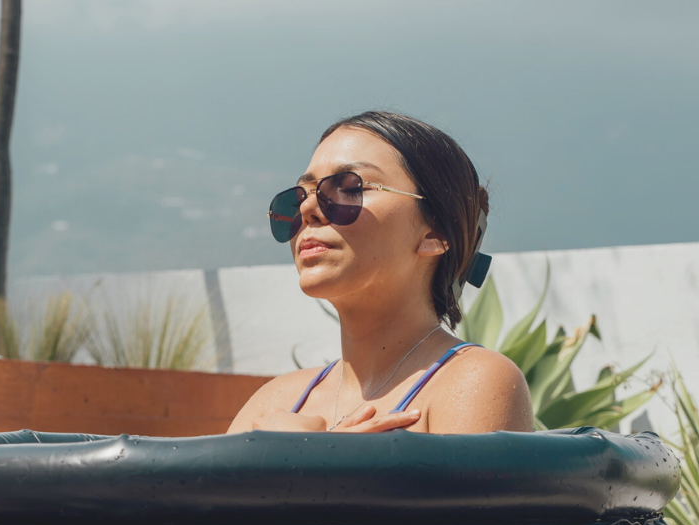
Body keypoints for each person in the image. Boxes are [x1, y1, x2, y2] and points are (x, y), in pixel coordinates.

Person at [227, 111, 534, 435]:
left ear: (436, 233)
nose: (307, 210)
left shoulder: (472, 381)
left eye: (348, 188)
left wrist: (309, 460)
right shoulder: (275, 399)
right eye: (298, 197)